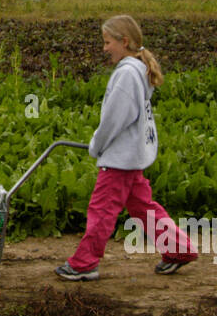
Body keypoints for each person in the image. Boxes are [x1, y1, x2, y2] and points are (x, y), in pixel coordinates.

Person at [56, 15, 198, 281]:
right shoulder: (138, 70)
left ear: (124, 42)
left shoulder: (125, 74)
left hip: (119, 160)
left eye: (108, 42)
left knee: (102, 212)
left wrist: (97, 146)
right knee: (143, 208)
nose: (104, 48)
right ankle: (178, 249)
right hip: (132, 157)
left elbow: (113, 119)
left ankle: (84, 263)